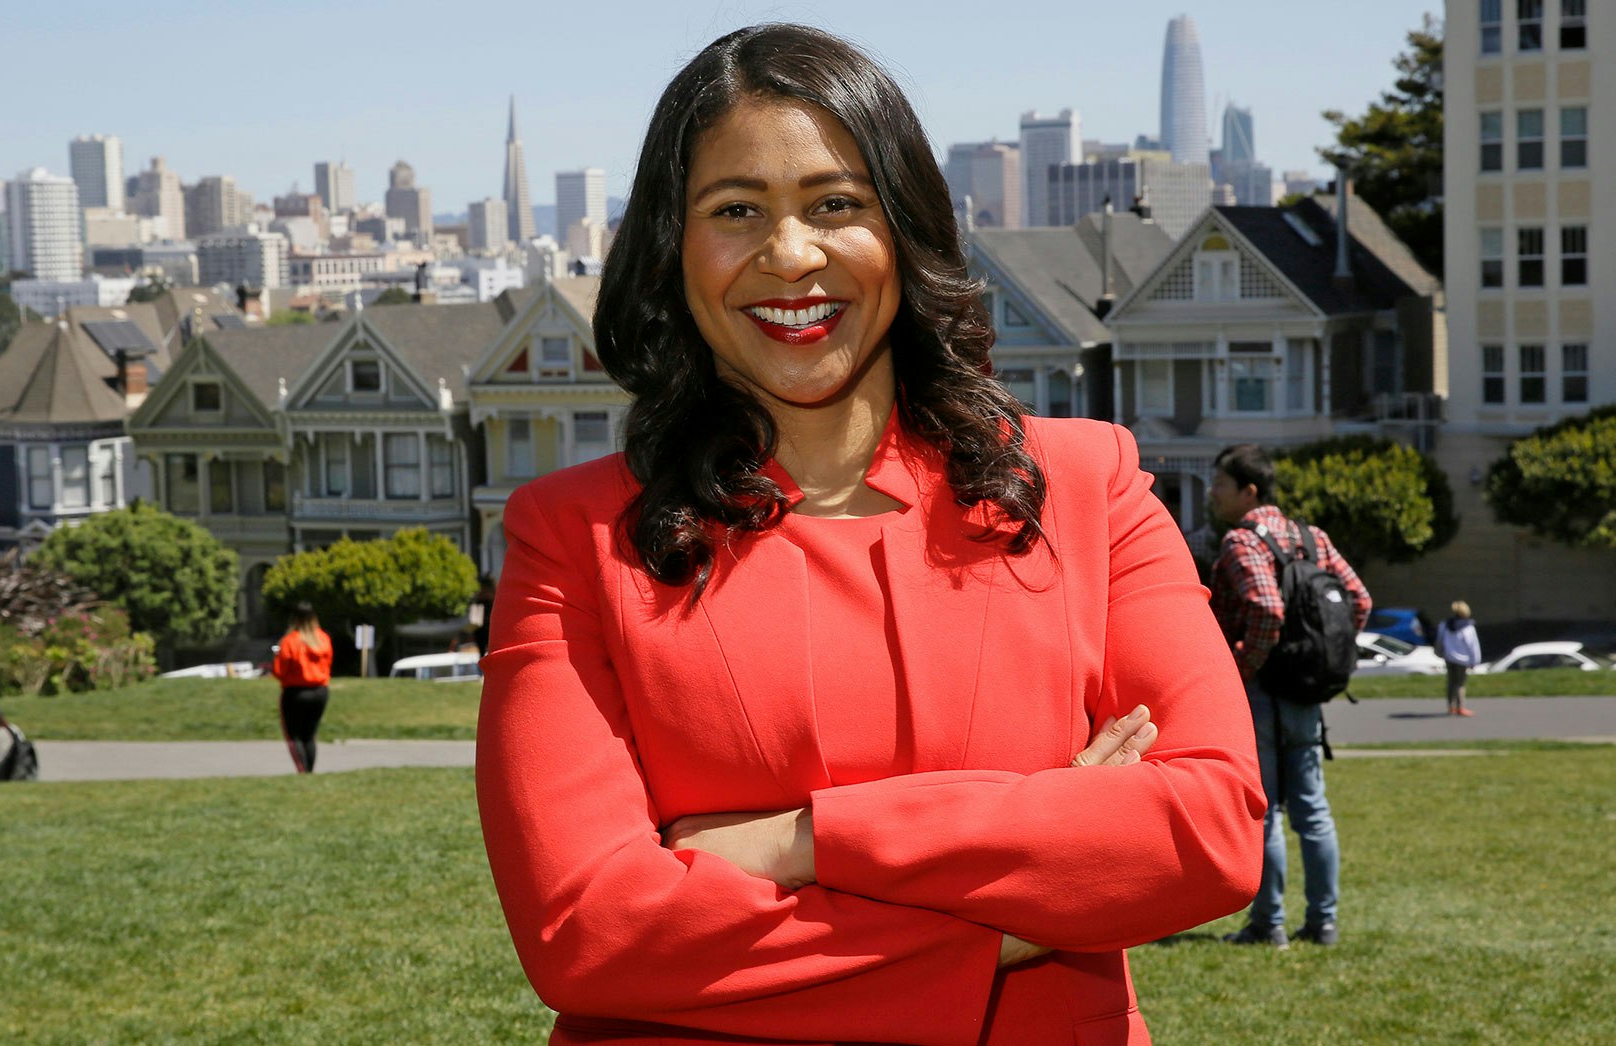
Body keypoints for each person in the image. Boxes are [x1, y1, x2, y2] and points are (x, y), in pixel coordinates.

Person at [476, 24, 1266, 1044]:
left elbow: (1211, 829)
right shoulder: (574, 539)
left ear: (905, 227)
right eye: (736, 210)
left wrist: (799, 842)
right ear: (671, 249)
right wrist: (1024, 901)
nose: (790, 254)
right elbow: (586, 930)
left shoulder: (1087, 488)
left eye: (836, 204)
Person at [1208, 443, 1371, 949]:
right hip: (1305, 691)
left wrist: (1243, 668)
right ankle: (1324, 923)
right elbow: (1359, 599)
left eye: (1220, 484)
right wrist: (1323, 656)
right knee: (1313, 810)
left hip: (1263, 691)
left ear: (1249, 491)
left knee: (1266, 811)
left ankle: (1269, 924)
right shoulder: (1312, 536)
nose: (1213, 493)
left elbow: (1266, 608)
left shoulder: (1242, 541)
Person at [272, 602, 332, 774]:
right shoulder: (323, 639)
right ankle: (309, 772)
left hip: (295, 692)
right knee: (309, 735)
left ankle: (303, 773)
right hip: (320, 691)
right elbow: (328, 664)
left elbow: (279, 671)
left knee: (294, 736)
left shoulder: (290, 641)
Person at [1433, 601, 1482, 716]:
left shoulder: (1444, 624)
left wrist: (1439, 652)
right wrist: (1474, 661)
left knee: (1451, 682)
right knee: (1460, 683)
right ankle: (1460, 707)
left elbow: (1439, 639)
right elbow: (1472, 646)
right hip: (1462, 660)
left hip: (1449, 658)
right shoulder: (1468, 627)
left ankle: (1451, 706)